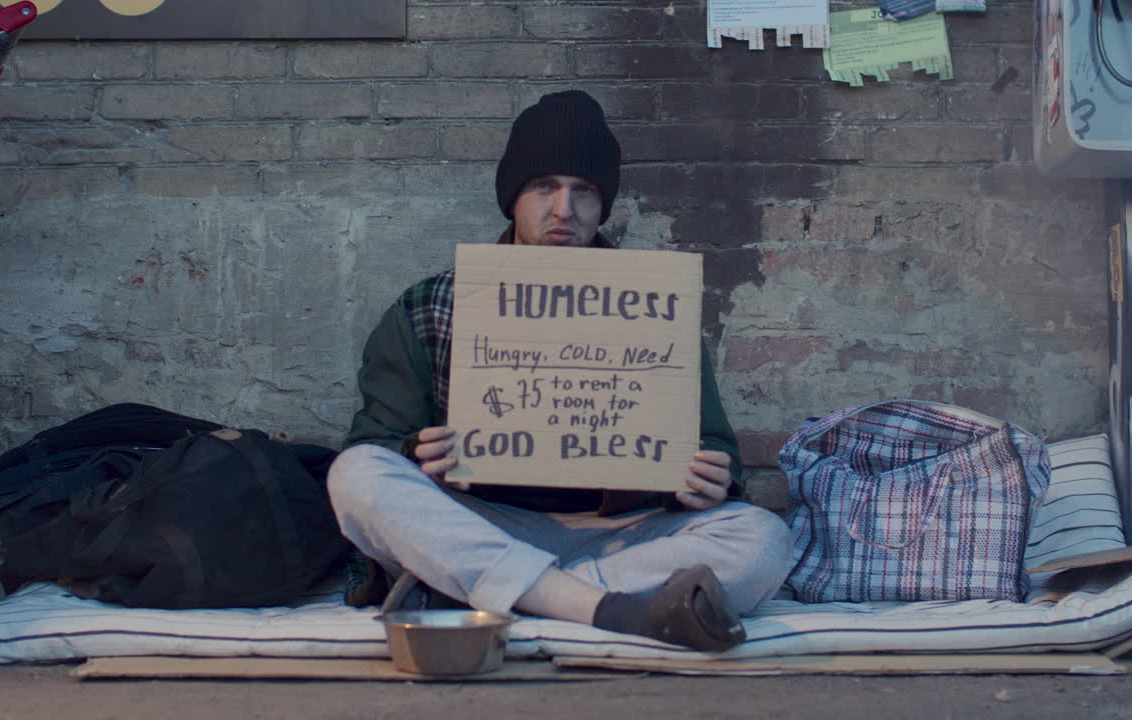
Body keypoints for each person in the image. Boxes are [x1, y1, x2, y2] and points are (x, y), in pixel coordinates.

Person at [327, 90, 791, 652]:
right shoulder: (431, 306)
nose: (563, 210)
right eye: (543, 186)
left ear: (604, 204)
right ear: (512, 198)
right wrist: (416, 453)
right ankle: (606, 609)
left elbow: (714, 446)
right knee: (355, 474)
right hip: (483, 523)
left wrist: (709, 481)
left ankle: (496, 595)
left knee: (763, 537)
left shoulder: (654, 306)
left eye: (584, 191)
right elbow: (375, 442)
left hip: (618, 536)